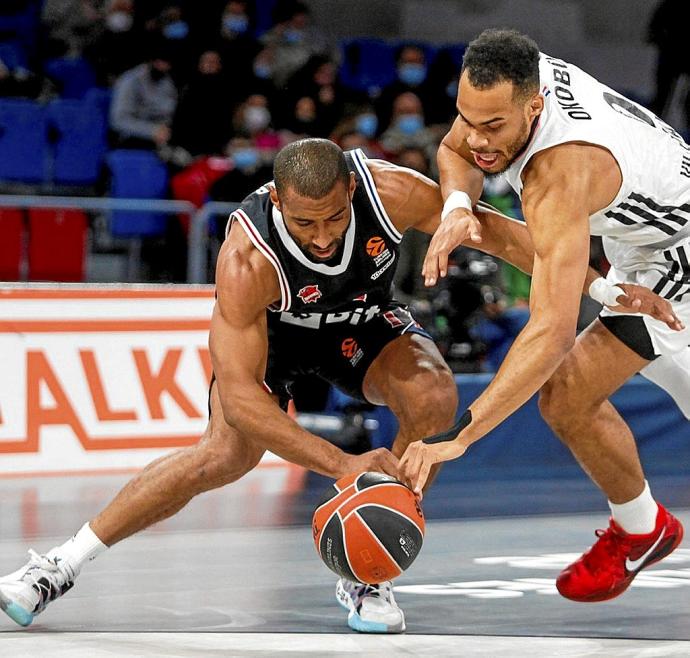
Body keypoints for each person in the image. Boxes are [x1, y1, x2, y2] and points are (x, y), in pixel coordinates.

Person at [0, 139, 679, 633]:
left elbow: (500, 235)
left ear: (350, 193)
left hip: (361, 322)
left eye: (332, 219)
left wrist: (599, 282)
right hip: (278, 337)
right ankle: (58, 565)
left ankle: (369, 572)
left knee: (434, 396)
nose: (322, 237)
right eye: (305, 224)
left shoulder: (392, 192)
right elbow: (240, 398)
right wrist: (345, 467)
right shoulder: (247, 258)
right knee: (223, 454)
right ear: (278, 203)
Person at [398, 29, 689, 604]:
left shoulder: (559, 172)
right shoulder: (510, 85)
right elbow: (455, 151)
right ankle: (641, 529)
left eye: (493, 128)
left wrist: (462, 434)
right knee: (568, 394)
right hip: (642, 246)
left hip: (680, 253)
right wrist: (458, 206)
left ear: (534, 107)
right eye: (468, 117)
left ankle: (642, 530)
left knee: (563, 379)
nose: (478, 140)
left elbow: (551, 329)